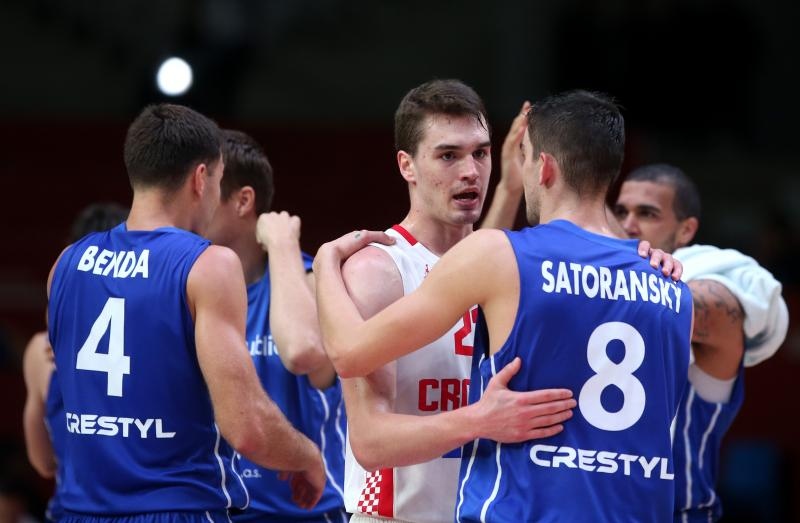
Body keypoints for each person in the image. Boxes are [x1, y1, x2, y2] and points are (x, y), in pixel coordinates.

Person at [314, 90, 693, 522]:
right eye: (448, 156)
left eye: (481, 153)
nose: (471, 172)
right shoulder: (380, 268)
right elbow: (369, 441)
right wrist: (478, 421)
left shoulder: (512, 268)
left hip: (488, 507)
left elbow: (487, 256)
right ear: (407, 165)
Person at [46, 103, 325, 522]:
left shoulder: (65, 264)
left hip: (79, 510)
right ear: (201, 178)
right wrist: (306, 455)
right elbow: (246, 426)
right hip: (175, 507)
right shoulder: (208, 265)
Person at [613, 163, 789, 522]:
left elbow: (676, 308)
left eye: (647, 213)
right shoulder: (603, 283)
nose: (629, 224)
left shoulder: (716, 282)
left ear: (686, 229)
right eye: (620, 211)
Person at [205, 129, 347, 523]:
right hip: (218, 511)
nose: (193, 200)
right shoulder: (194, 288)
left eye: (205, 187)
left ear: (244, 201)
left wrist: (283, 243)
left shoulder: (311, 281)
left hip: (307, 512)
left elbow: (305, 351)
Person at [23, 202, 128, 522]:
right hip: (140, 509)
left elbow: (42, 461)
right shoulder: (157, 343)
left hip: (74, 509)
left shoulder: (41, 348)